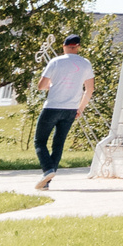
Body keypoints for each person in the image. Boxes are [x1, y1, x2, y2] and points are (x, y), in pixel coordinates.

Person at [32, 35, 95, 189]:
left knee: (39, 141)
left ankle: (48, 170)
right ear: (78, 47)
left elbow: (41, 85)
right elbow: (90, 89)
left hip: (52, 107)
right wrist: (80, 108)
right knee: (58, 144)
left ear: (64, 46)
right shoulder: (85, 64)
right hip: (71, 110)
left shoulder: (56, 62)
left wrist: (51, 85)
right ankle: (46, 182)